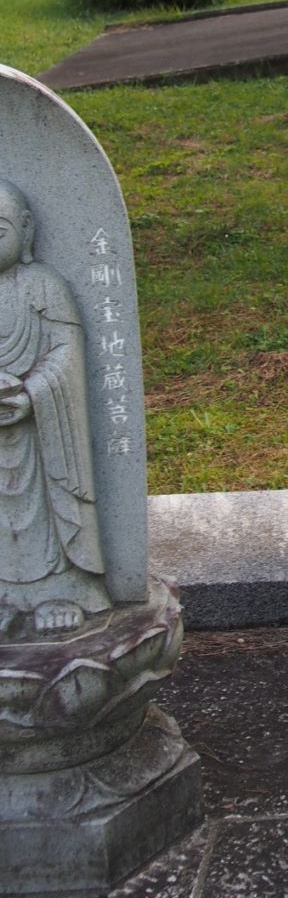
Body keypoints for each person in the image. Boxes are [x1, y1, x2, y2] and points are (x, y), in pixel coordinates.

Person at [0, 180, 109, 638]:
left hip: (40, 435)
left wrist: (31, 395)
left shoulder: (42, 286)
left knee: (45, 506)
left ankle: (59, 591)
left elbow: (67, 355)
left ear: (26, 233)